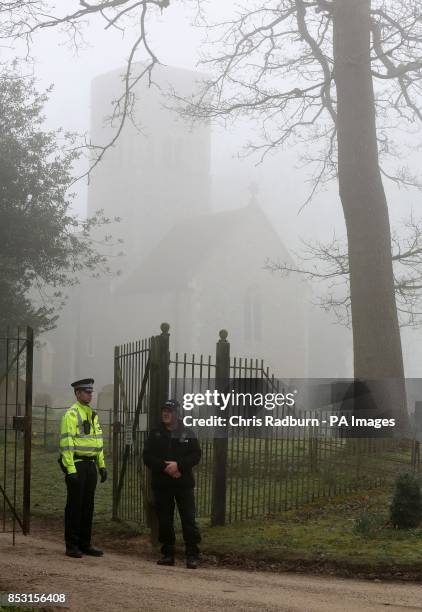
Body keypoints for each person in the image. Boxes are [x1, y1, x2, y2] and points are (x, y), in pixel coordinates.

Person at [143, 399, 202, 569]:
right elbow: (147, 456)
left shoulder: (187, 432)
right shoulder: (155, 434)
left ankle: (192, 555)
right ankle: (168, 554)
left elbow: (196, 455)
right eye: (164, 410)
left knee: (189, 520)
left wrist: (179, 466)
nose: (165, 413)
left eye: (169, 411)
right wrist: (165, 467)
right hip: (162, 484)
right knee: (165, 520)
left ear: (177, 413)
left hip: (183, 484)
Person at [59, 378, 107, 558]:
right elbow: (67, 443)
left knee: (88, 506)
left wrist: (101, 465)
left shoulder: (92, 414)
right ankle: (71, 545)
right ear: (78, 393)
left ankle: (85, 543)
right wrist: (70, 470)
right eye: (87, 392)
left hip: (90, 466)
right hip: (77, 464)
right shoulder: (71, 414)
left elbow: (97, 442)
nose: (90, 394)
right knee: (74, 506)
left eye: (91, 392)